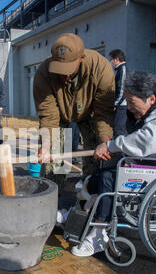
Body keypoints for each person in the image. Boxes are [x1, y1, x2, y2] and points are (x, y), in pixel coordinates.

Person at [69, 71, 156, 257]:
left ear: (150, 99)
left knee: (109, 180)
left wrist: (111, 145)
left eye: (132, 102)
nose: (129, 107)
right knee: (97, 178)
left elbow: (146, 142)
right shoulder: (152, 106)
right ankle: (77, 217)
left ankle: (99, 235)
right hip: (150, 166)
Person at [34, 33, 115, 192]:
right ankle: (51, 203)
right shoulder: (43, 73)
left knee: (95, 158)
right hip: (59, 114)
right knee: (53, 163)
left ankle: (88, 199)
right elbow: (48, 115)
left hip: (91, 111)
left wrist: (104, 142)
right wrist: (45, 146)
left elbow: (103, 112)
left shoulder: (101, 68)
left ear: (82, 58)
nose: (64, 75)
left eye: (69, 69)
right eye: (60, 69)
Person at [109, 49, 128, 137]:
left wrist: (115, 104)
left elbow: (121, 90)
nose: (111, 62)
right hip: (120, 104)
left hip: (122, 106)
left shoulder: (122, 69)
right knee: (118, 129)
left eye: (111, 59)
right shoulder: (120, 70)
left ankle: (120, 150)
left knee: (119, 130)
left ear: (116, 59)